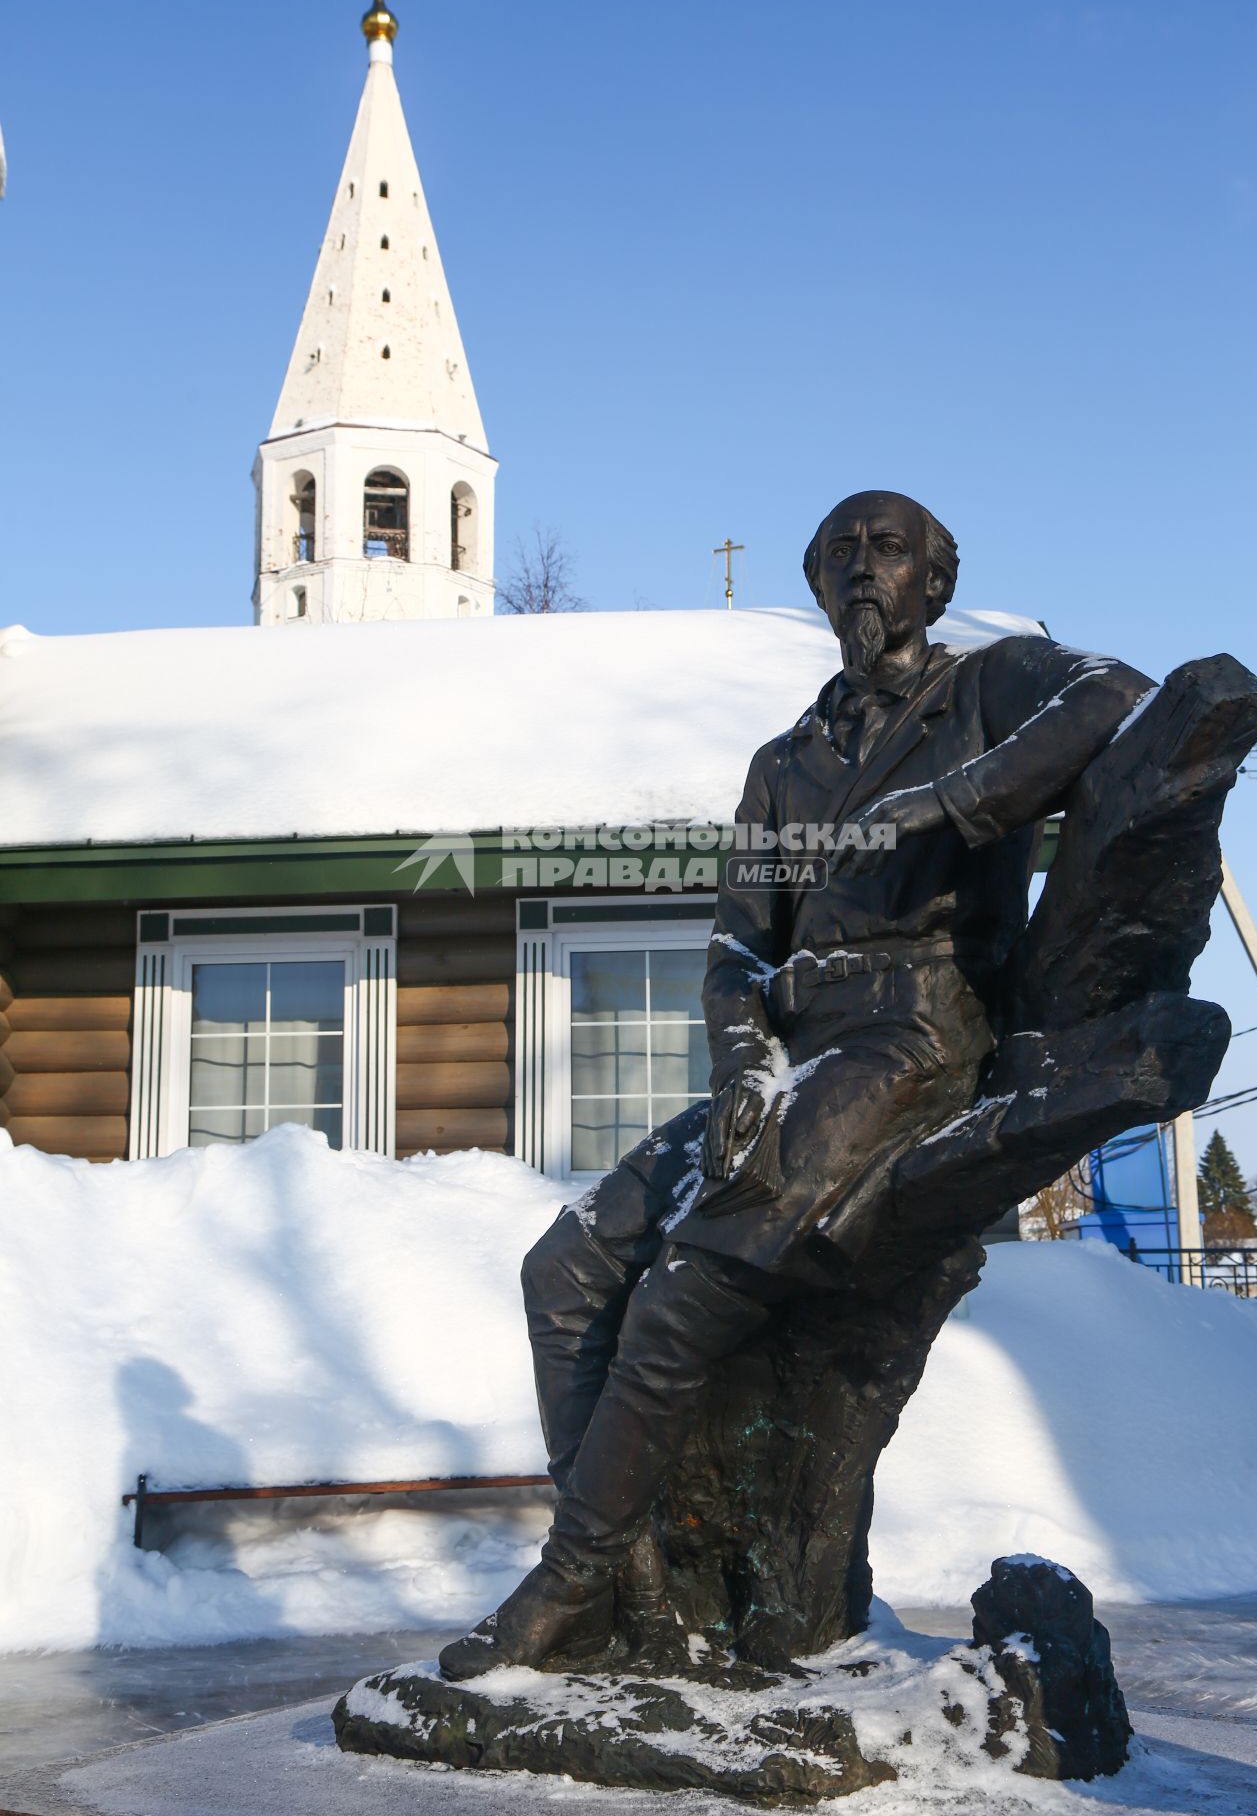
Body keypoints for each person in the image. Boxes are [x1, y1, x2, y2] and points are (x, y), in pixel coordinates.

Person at [439, 489, 1151, 1680]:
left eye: (886, 550)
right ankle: (631, 1581)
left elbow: (1119, 692)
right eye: (839, 555)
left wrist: (961, 800)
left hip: (915, 1034)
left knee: (682, 1292)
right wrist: (740, 1061)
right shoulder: (784, 763)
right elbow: (735, 949)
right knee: (560, 1267)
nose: (861, 570)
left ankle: (566, 1583)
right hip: (792, 1047)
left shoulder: (986, 689)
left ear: (934, 579)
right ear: (818, 587)